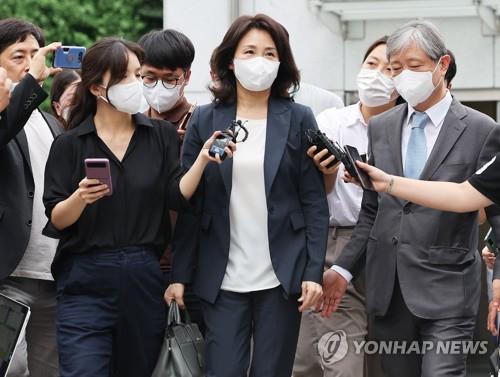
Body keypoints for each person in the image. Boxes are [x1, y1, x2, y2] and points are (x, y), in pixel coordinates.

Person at [42, 37, 232, 377]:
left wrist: (202, 160)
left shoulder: (158, 135)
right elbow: (57, 217)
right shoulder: (70, 143)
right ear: (98, 87)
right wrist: (80, 198)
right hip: (84, 277)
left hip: (143, 276)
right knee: (82, 369)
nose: (137, 85)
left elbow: (176, 196)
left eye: (137, 75)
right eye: (128, 77)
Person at [320, 20, 500, 377]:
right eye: (395, 68)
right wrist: (342, 269)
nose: (403, 76)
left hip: (448, 288)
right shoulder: (382, 127)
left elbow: (494, 214)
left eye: (414, 66)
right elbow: (371, 213)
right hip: (388, 288)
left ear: (442, 65)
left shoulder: (482, 129)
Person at [166, 14, 329, 377]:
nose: (260, 61)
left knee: (272, 370)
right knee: (222, 369)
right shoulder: (205, 119)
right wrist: (179, 274)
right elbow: (191, 206)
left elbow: (314, 203)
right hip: (222, 274)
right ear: (230, 60)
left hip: (282, 275)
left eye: (270, 54)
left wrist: (313, 271)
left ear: (281, 63)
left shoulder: (299, 118)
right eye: (250, 51)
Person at [293, 36, 395, 377]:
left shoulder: (408, 129)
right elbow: (307, 192)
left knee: (383, 359)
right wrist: (330, 172)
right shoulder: (330, 122)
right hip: (336, 242)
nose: (378, 74)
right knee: (331, 359)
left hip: (390, 246)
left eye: (391, 69)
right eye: (371, 64)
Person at [0, 18, 62, 377]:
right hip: (8, 270)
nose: (29, 62)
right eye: (18, 55)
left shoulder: (51, 122)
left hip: (52, 271)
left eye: (36, 54)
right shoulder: (10, 114)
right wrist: (32, 81)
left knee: (48, 371)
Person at [138, 29, 195, 140]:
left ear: (186, 77)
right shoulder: (134, 125)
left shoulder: (198, 124)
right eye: (150, 78)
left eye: (169, 79)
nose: (159, 86)